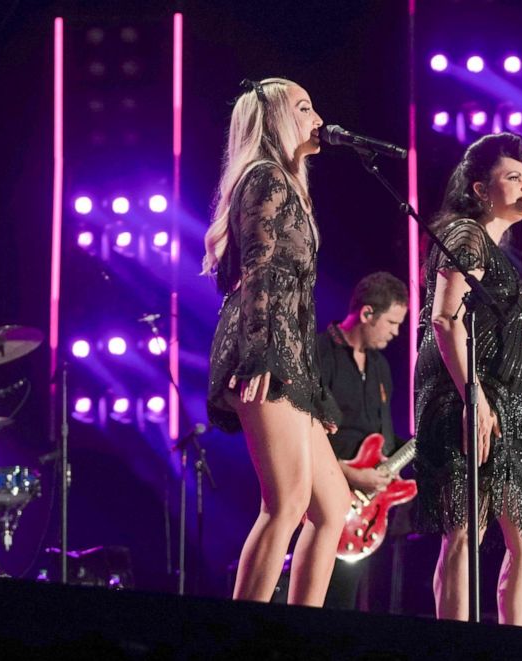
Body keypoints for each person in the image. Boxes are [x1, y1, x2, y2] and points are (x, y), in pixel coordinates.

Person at [203, 77, 350, 607]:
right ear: (276, 121)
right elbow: (262, 270)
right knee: (285, 504)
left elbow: (299, 302)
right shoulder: (265, 178)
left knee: (331, 508)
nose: (317, 118)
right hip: (261, 344)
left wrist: (313, 388)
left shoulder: (289, 184)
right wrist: (262, 353)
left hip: (286, 349)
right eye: (305, 107)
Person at [413, 132, 522, 626]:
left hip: (505, 403)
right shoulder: (465, 234)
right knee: (464, 529)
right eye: (512, 178)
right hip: (466, 396)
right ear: (479, 188)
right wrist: (474, 396)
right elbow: (445, 320)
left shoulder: (494, 247)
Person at [315, 271, 409, 610]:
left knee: (345, 600)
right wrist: (348, 473)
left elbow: (379, 434)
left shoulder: (380, 365)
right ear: (367, 313)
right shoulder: (319, 353)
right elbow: (301, 430)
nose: (397, 332)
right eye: (392, 323)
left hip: (364, 509)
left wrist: (393, 461)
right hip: (323, 491)